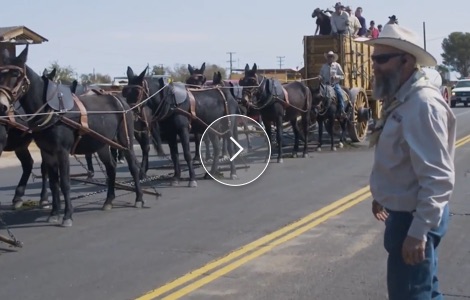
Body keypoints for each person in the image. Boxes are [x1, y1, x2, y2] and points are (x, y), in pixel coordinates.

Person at [363, 23, 456, 300]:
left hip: (414, 219)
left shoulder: (422, 105)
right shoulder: (402, 100)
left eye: (381, 59)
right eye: (373, 59)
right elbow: (400, 161)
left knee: (412, 294)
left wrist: (418, 232)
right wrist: (383, 195)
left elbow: (438, 178)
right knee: (426, 290)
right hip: (404, 214)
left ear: (406, 60)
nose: (375, 66)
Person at [319, 50, 346, 116]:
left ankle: (342, 110)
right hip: (325, 85)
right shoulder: (324, 66)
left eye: (331, 56)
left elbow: (343, 76)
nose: (329, 58)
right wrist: (320, 77)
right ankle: (319, 110)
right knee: (319, 95)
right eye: (328, 56)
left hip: (334, 85)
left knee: (340, 95)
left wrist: (336, 77)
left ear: (333, 58)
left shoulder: (337, 65)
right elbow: (321, 75)